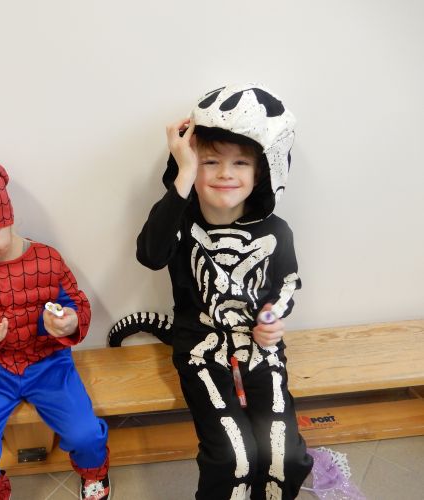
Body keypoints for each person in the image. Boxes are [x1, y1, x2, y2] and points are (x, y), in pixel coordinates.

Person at [136, 83, 313, 499]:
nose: (225, 173)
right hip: (200, 344)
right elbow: (150, 255)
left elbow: (287, 283)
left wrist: (271, 317)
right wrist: (182, 174)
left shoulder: (275, 232)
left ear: (261, 172)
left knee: (284, 455)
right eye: (209, 161)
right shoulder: (180, 223)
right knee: (233, 457)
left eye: (240, 163)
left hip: (259, 344)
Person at [0, 157, 110, 500]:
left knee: (85, 434)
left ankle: (94, 473)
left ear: (8, 218)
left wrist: (68, 321)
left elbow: (77, 304)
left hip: (50, 363)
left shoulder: (47, 260)